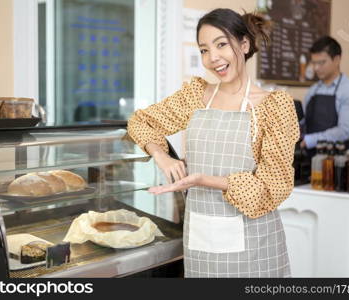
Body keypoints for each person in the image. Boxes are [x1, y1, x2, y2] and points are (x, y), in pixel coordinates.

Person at [127, 8, 299, 278]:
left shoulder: (274, 107)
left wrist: (206, 180)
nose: (213, 58)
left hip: (255, 244)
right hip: (201, 241)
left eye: (221, 44)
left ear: (244, 44)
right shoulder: (196, 95)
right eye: (204, 50)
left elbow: (272, 187)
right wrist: (162, 156)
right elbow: (140, 122)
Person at [301, 36, 349, 152]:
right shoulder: (313, 90)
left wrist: (309, 140)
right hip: (308, 158)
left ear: (337, 59)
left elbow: (343, 132)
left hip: (335, 160)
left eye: (321, 63)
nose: (316, 68)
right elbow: (304, 121)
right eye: (314, 63)